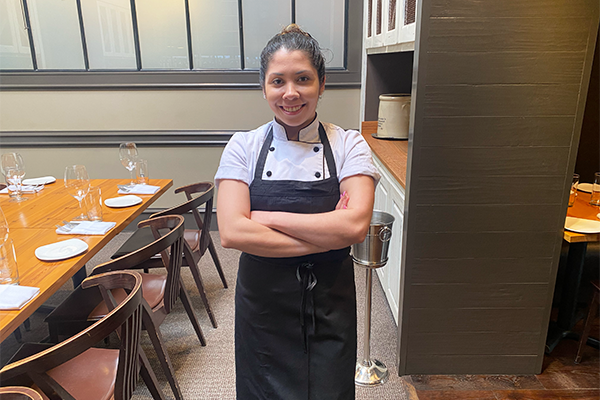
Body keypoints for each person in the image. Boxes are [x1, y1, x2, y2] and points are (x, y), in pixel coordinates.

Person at [215, 24, 380, 400]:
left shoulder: (349, 143)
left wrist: (264, 217)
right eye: (278, 82)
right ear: (263, 88)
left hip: (329, 301)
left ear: (322, 84)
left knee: (329, 389)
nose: (290, 93)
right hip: (263, 305)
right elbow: (232, 234)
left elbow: (355, 225)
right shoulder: (243, 146)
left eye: (303, 79)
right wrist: (327, 234)